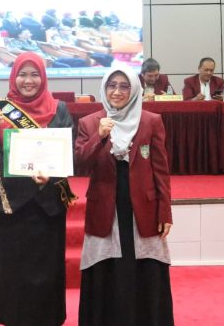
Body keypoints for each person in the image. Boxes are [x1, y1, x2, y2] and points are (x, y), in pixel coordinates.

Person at [0, 52, 73, 326]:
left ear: (43, 77)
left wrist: (50, 177)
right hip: (11, 203)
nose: (28, 81)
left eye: (34, 75)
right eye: (23, 74)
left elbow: (67, 154)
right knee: (12, 270)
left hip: (48, 202)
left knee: (48, 269)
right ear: (13, 76)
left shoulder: (60, 109)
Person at [75, 66, 174, 326]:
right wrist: (99, 136)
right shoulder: (89, 122)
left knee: (144, 268)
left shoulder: (151, 120)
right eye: (112, 86)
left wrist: (165, 211)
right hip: (105, 208)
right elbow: (80, 164)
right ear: (104, 89)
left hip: (143, 208)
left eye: (124, 86)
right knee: (108, 269)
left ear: (134, 89)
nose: (117, 92)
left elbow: (161, 170)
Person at [7, 29, 87, 68]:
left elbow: (41, 43)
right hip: (44, 62)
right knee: (66, 68)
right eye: (27, 33)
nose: (30, 34)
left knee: (81, 61)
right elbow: (11, 50)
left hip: (52, 58)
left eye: (29, 32)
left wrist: (50, 44)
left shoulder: (31, 41)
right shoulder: (15, 42)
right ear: (19, 35)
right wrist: (30, 53)